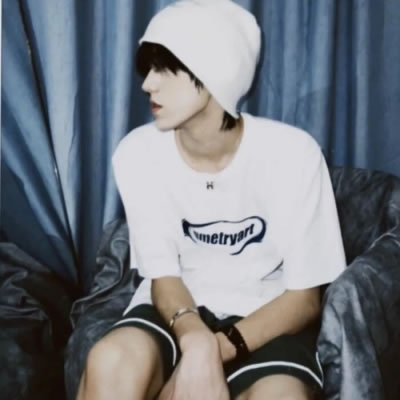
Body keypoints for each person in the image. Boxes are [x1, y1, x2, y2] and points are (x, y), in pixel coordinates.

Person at [76, 0, 346, 399]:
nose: (148, 84)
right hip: (175, 308)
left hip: (268, 315)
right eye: (148, 69)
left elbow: (304, 299)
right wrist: (195, 341)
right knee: (109, 362)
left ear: (216, 70)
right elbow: (163, 277)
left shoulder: (292, 154)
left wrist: (213, 351)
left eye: (165, 69)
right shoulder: (138, 153)